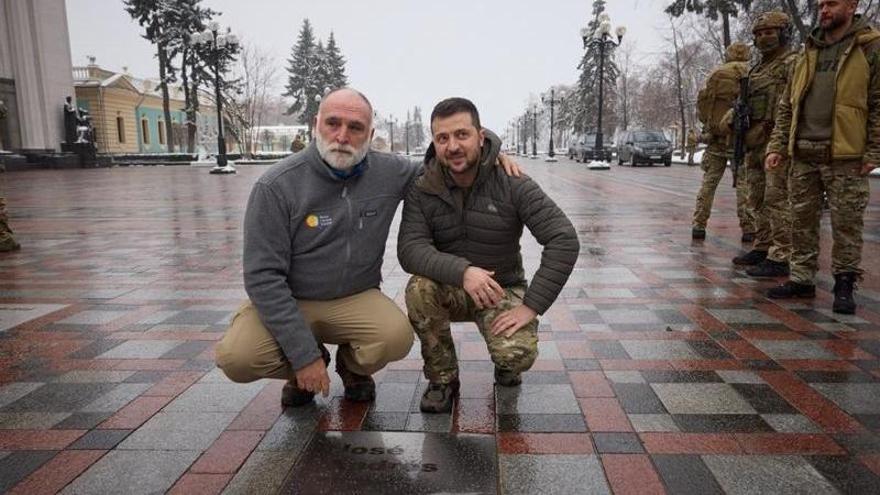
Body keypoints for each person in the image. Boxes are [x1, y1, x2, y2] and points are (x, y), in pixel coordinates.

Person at [215, 88, 522, 407]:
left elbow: (448, 160)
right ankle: (303, 363)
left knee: (395, 337)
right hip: (290, 299)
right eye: (332, 123)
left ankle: (352, 369)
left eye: (355, 127)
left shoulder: (390, 171)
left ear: (370, 134)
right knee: (237, 357)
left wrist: (488, 154)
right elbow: (262, 277)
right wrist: (303, 356)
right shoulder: (276, 186)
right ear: (315, 124)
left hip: (355, 297)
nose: (342, 135)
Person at [398, 97, 579, 413]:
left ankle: (505, 365)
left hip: (501, 289)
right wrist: (463, 272)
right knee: (419, 288)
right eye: (443, 138)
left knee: (516, 355)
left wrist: (531, 307)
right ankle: (443, 379)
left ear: (481, 137)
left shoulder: (512, 182)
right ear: (434, 142)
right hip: (451, 287)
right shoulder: (423, 187)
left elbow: (563, 239)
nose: (453, 146)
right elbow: (410, 249)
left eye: (462, 135)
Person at [764, 0, 879, 314]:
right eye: (820, 5)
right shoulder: (808, 51)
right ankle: (802, 278)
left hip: (845, 154)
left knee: (846, 224)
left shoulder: (869, 47)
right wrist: (777, 146)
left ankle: (844, 284)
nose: (823, 10)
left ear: (852, 4)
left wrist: (874, 149)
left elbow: (879, 102)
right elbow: (788, 104)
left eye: (831, 3)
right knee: (801, 220)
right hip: (803, 152)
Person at [731, 12, 799, 276]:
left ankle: (783, 253)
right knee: (755, 197)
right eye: (759, 34)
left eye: (770, 32)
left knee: (777, 198)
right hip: (754, 141)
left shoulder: (792, 63)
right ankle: (763, 244)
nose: (763, 38)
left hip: (777, 141)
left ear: (783, 33)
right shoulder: (756, 69)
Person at [691, 42, 755, 242]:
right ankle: (748, 228)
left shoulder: (715, 74)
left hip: (716, 138)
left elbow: (703, 103)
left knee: (708, 185)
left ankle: (699, 225)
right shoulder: (753, 73)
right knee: (745, 186)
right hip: (742, 139)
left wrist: (711, 125)